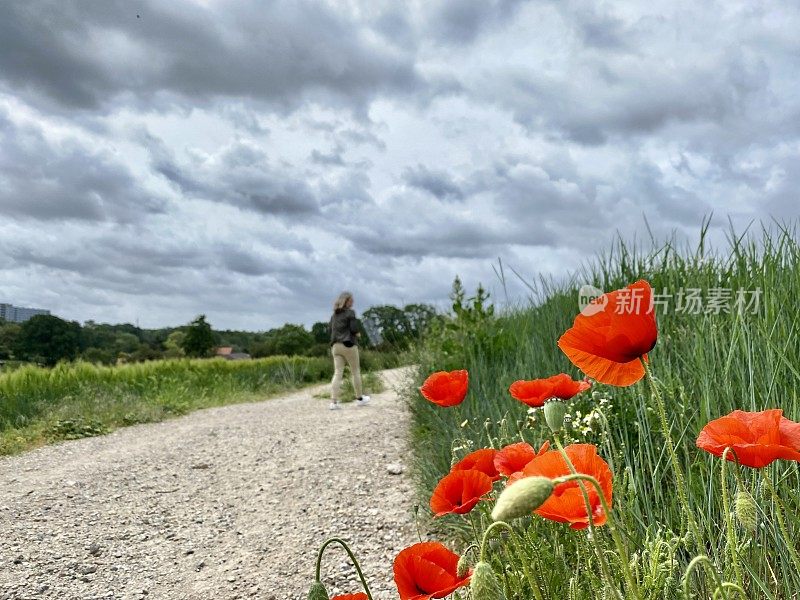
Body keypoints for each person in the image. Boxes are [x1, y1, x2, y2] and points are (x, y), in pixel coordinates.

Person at [328, 291, 370, 410]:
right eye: (351, 300)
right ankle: (359, 399)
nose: (353, 302)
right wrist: (357, 333)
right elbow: (353, 328)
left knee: (337, 373)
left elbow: (329, 330)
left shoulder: (334, 315)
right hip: (348, 345)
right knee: (355, 371)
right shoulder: (350, 313)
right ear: (346, 301)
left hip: (335, 346)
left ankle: (333, 402)